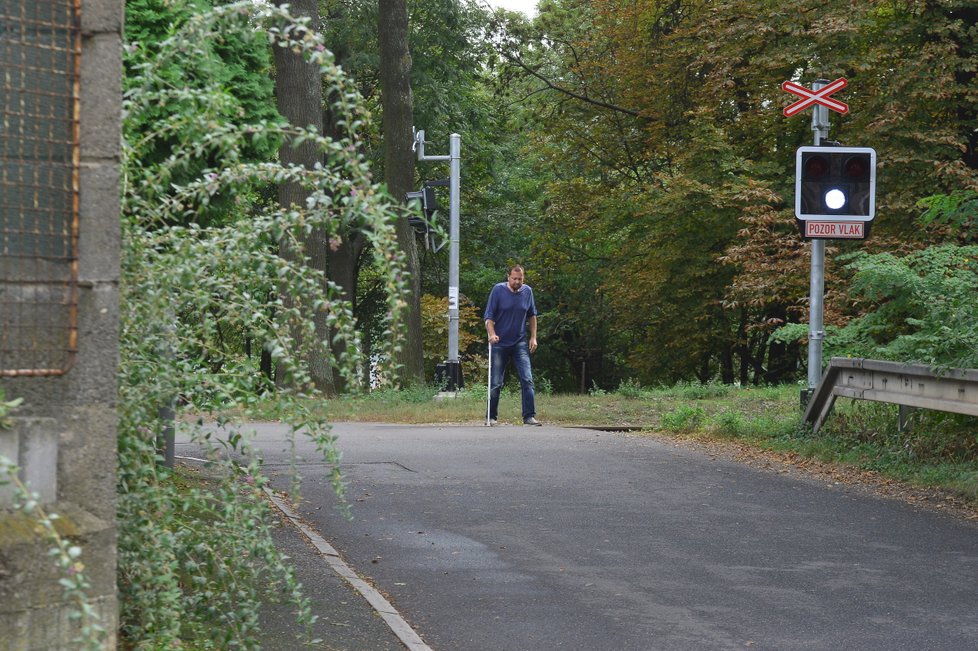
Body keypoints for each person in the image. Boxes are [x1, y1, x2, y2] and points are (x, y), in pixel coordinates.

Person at [484, 264, 541, 426]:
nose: (517, 282)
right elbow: (488, 318)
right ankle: (491, 417)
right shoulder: (498, 290)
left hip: (519, 342)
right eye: (514, 279)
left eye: (520, 279)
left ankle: (529, 416)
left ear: (523, 278)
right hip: (499, 343)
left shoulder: (527, 292)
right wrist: (492, 334)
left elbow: (532, 315)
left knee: (527, 379)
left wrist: (533, 337)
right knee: (496, 382)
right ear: (508, 277)